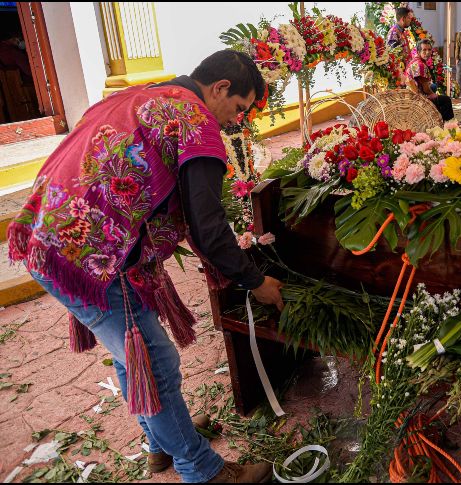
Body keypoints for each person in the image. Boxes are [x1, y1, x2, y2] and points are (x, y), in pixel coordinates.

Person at [6, 50, 285, 483]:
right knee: (155, 360)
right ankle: (202, 470)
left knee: (130, 351)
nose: (235, 120)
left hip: (54, 240)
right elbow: (207, 226)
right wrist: (254, 280)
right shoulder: (194, 122)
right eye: (238, 109)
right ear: (220, 88)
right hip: (95, 259)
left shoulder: (144, 95)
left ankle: (162, 443)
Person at [408, 39, 454, 121]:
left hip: (412, 93)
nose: (427, 52)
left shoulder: (415, 60)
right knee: (446, 100)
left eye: (429, 49)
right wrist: (435, 95)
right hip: (418, 98)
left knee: (433, 86)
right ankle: (447, 124)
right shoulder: (420, 65)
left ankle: (438, 118)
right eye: (424, 50)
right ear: (418, 51)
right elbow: (426, 89)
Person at [387, 6, 415, 85]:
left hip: (406, 72)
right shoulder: (394, 33)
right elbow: (394, 56)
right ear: (403, 19)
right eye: (409, 18)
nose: (410, 20)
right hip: (400, 76)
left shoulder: (401, 32)